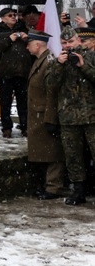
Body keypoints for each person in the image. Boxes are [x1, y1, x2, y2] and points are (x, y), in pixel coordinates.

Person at [47, 27, 95, 205]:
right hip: (68, 117)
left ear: (79, 41)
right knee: (72, 156)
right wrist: (59, 65)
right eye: (65, 43)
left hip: (92, 116)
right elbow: (50, 85)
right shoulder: (58, 60)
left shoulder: (90, 57)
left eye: (71, 42)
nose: (68, 46)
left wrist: (84, 66)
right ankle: (79, 191)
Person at [25, 31, 65, 200]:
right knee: (43, 152)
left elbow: (51, 92)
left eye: (29, 43)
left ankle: (53, 187)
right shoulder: (39, 61)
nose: (27, 47)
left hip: (45, 113)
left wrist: (50, 118)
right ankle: (46, 185)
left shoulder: (48, 62)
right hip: (38, 113)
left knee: (52, 152)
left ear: (38, 45)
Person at [0, 7, 32, 138]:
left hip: (22, 72)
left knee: (23, 101)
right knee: (5, 101)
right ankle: (6, 127)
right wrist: (8, 39)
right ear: (2, 18)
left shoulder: (24, 31)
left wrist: (27, 38)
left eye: (15, 15)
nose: (13, 17)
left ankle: (25, 126)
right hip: (5, 73)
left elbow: (35, 47)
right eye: (10, 15)